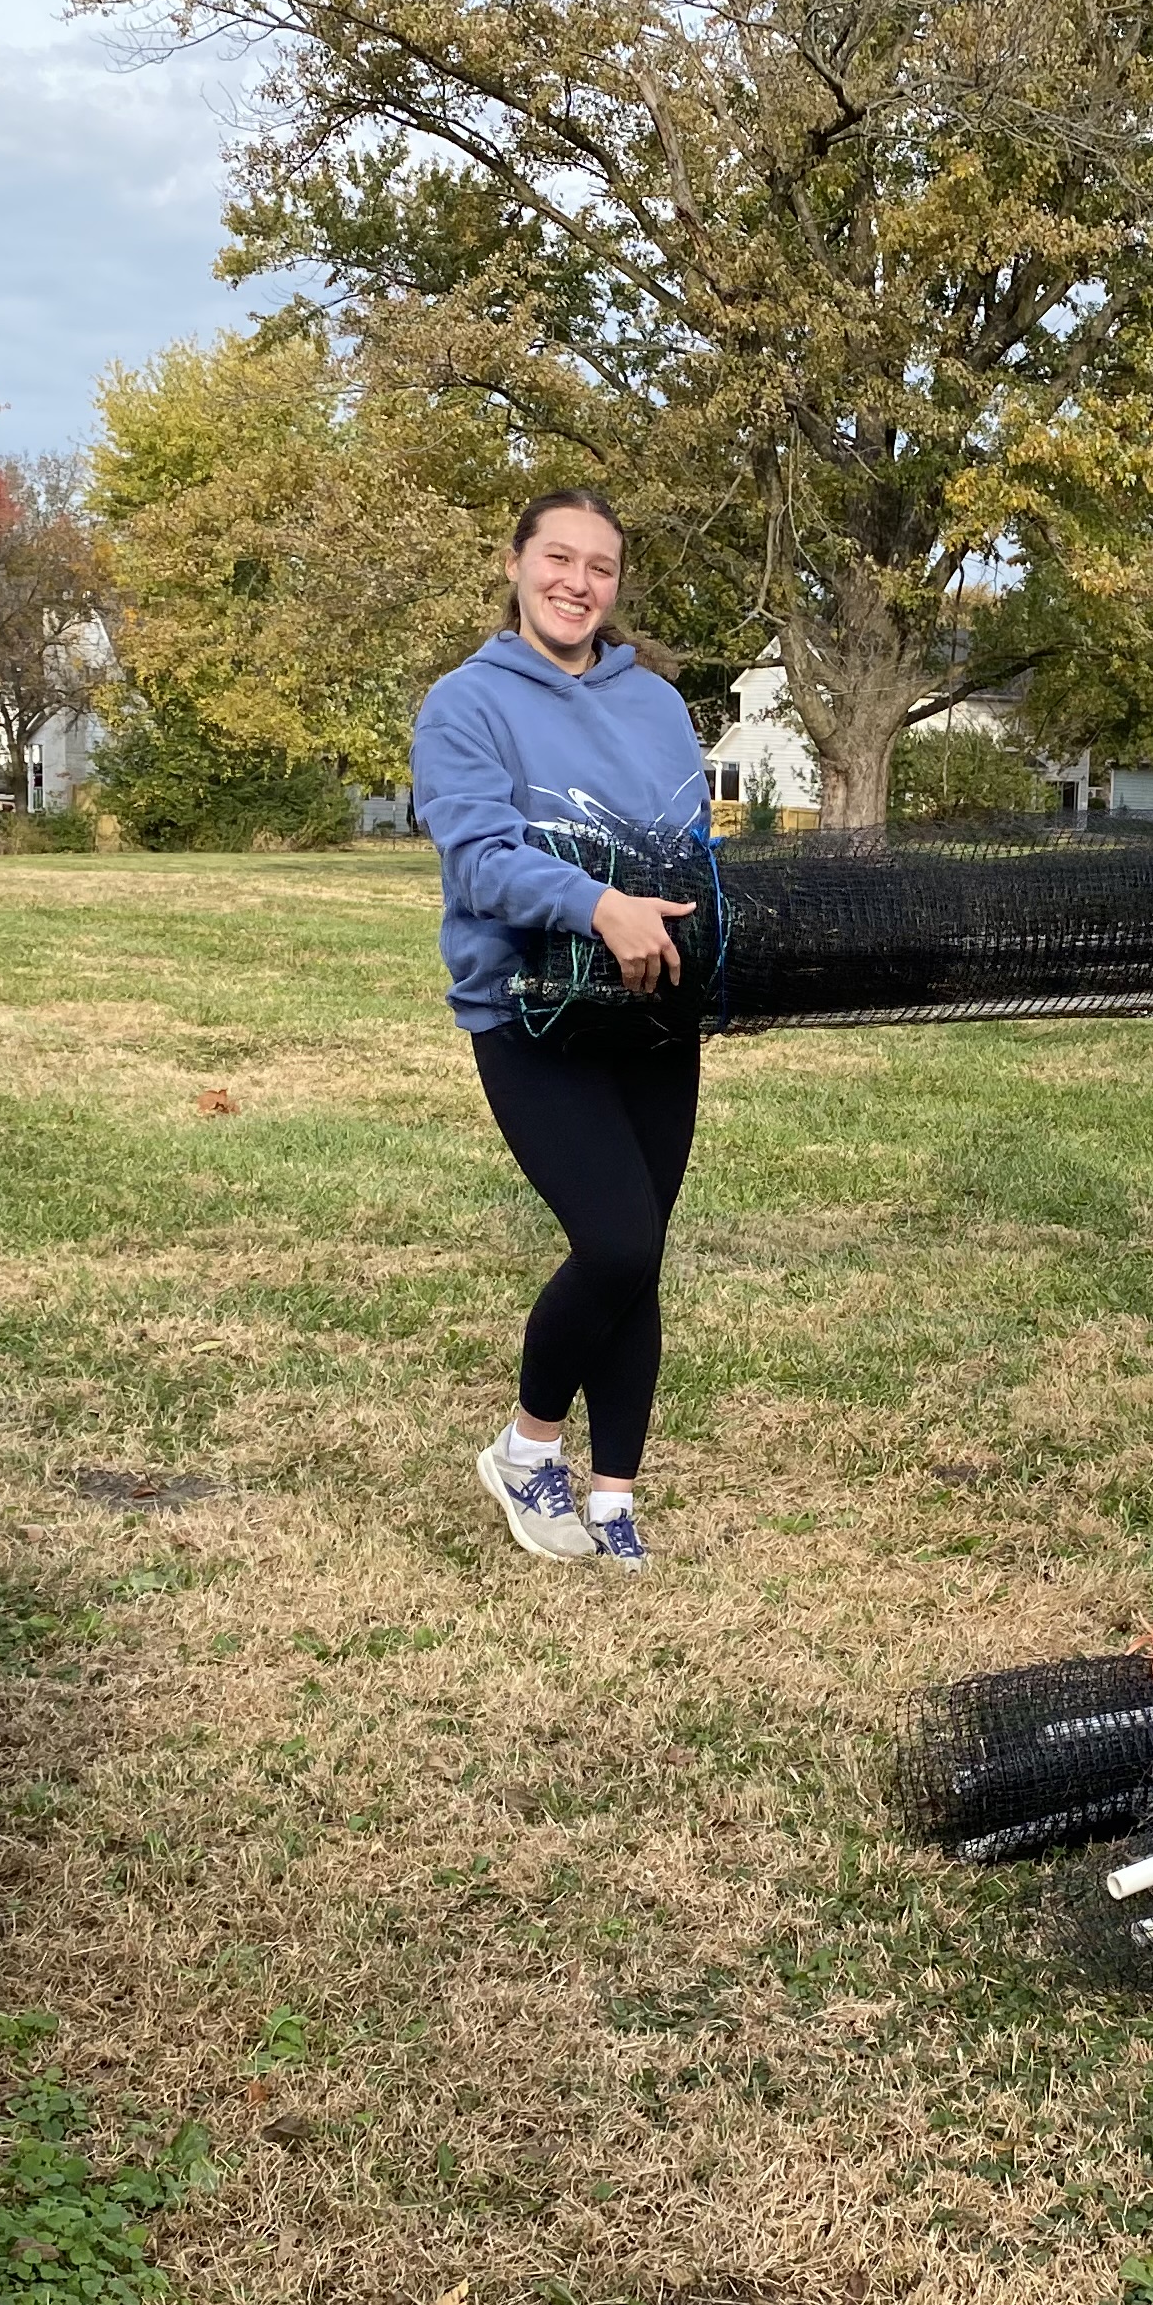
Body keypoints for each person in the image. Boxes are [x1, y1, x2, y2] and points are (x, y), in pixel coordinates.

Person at [413, 488, 709, 1571]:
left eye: (602, 567)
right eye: (559, 560)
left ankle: (614, 1496)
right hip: (530, 1013)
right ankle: (528, 1445)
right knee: (615, 1238)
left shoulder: (659, 705)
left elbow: (687, 855)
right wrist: (598, 906)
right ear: (516, 564)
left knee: (645, 1255)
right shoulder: (465, 704)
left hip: (653, 1012)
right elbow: (479, 857)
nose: (579, 583)